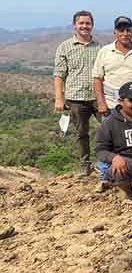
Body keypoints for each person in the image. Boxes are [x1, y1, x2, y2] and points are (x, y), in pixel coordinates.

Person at [53, 10, 102, 175]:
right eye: (81, 23)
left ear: (92, 25)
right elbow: (59, 74)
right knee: (81, 133)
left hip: (98, 97)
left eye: (88, 23)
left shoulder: (99, 48)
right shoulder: (65, 47)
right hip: (75, 98)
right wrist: (59, 98)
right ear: (74, 25)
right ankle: (85, 165)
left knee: (109, 129)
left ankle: (108, 163)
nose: (84, 26)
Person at [93, 16, 132, 114]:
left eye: (128, 30)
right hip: (112, 105)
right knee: (111, 130)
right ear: (115, 33)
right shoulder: (104, 52)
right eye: (121, 30)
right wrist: (101, 103)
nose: (125, 34)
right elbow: (97, 78)